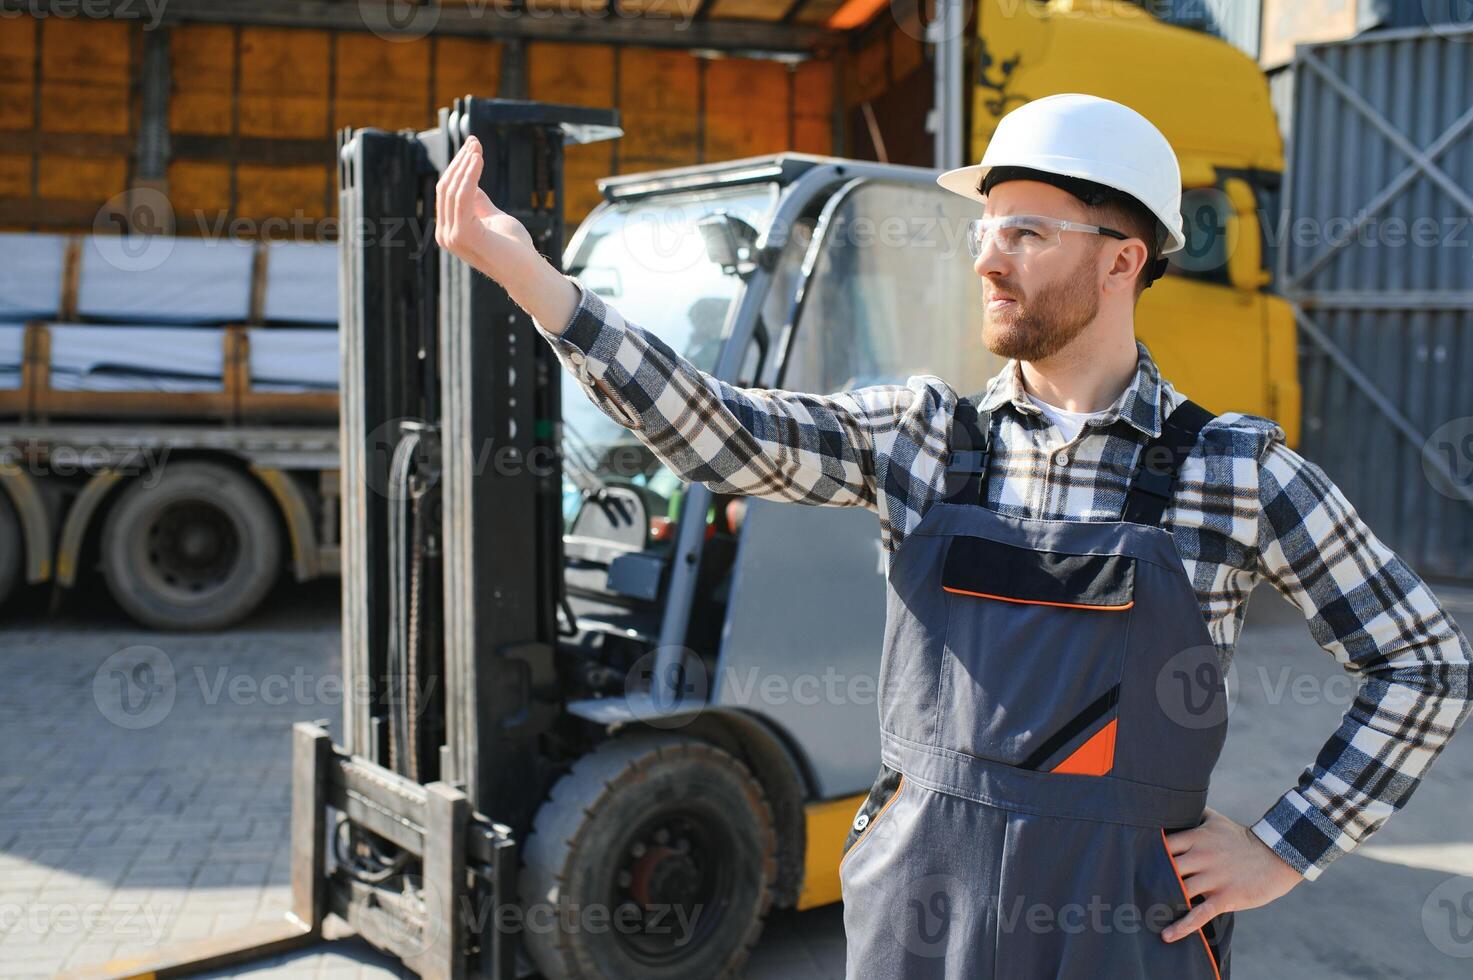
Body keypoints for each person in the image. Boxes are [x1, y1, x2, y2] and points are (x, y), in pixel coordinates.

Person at [434, 93, 1472, 978]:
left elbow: (1425, 662)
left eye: (1025, 229)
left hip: (1124, 921)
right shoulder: (926, 437)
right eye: (985, 229)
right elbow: (723, 432)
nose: (989, 256)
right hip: (921, 904)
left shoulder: (1234, 472)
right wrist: (538, 283)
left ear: (1124, 257)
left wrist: (1288, 845)